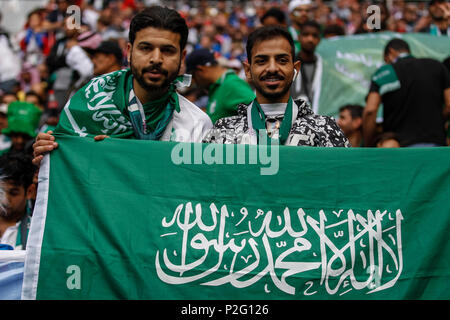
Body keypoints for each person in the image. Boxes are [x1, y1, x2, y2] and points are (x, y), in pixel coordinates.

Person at [33, 6, 212, 166]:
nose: (156, 59)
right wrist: (50, 155)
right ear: (129, 52)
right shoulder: (90, 102)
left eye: (167, 50)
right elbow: (69, 171)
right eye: (145, 48)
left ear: (182, 58)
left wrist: (126, 156)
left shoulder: (197, 125)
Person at [203, 26, 349, 147]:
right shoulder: (223, 129)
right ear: (248, 70)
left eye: (282, 60)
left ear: (295, 69)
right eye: (262, 61)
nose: (272, 68)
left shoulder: (325, 128)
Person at [363, 38, 450, 147]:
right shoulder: (437, 66)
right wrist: (436, 121)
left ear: (391, 52)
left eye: (385, 59)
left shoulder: (385, 72)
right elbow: (449, 104)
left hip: (399, 149)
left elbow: (370, 110)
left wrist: (368, 143)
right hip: (436, 146)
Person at [185, 48, 255, 124]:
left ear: (200, 70)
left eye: (193, 76)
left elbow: (261, 115)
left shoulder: (231, 84)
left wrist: (262, 136)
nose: (194, 81)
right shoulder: (218, 86)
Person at [0, 152, 37, 250]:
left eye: (13, 193)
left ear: (30, 191)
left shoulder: (37, 231)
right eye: (1, 191)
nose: (5, 201)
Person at [291, 20, 322, 112]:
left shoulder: (323, 66)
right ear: (299, 37)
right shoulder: (289, 65)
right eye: (306, 34)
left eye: (314, 36)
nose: (310, 39)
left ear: (319, 39)